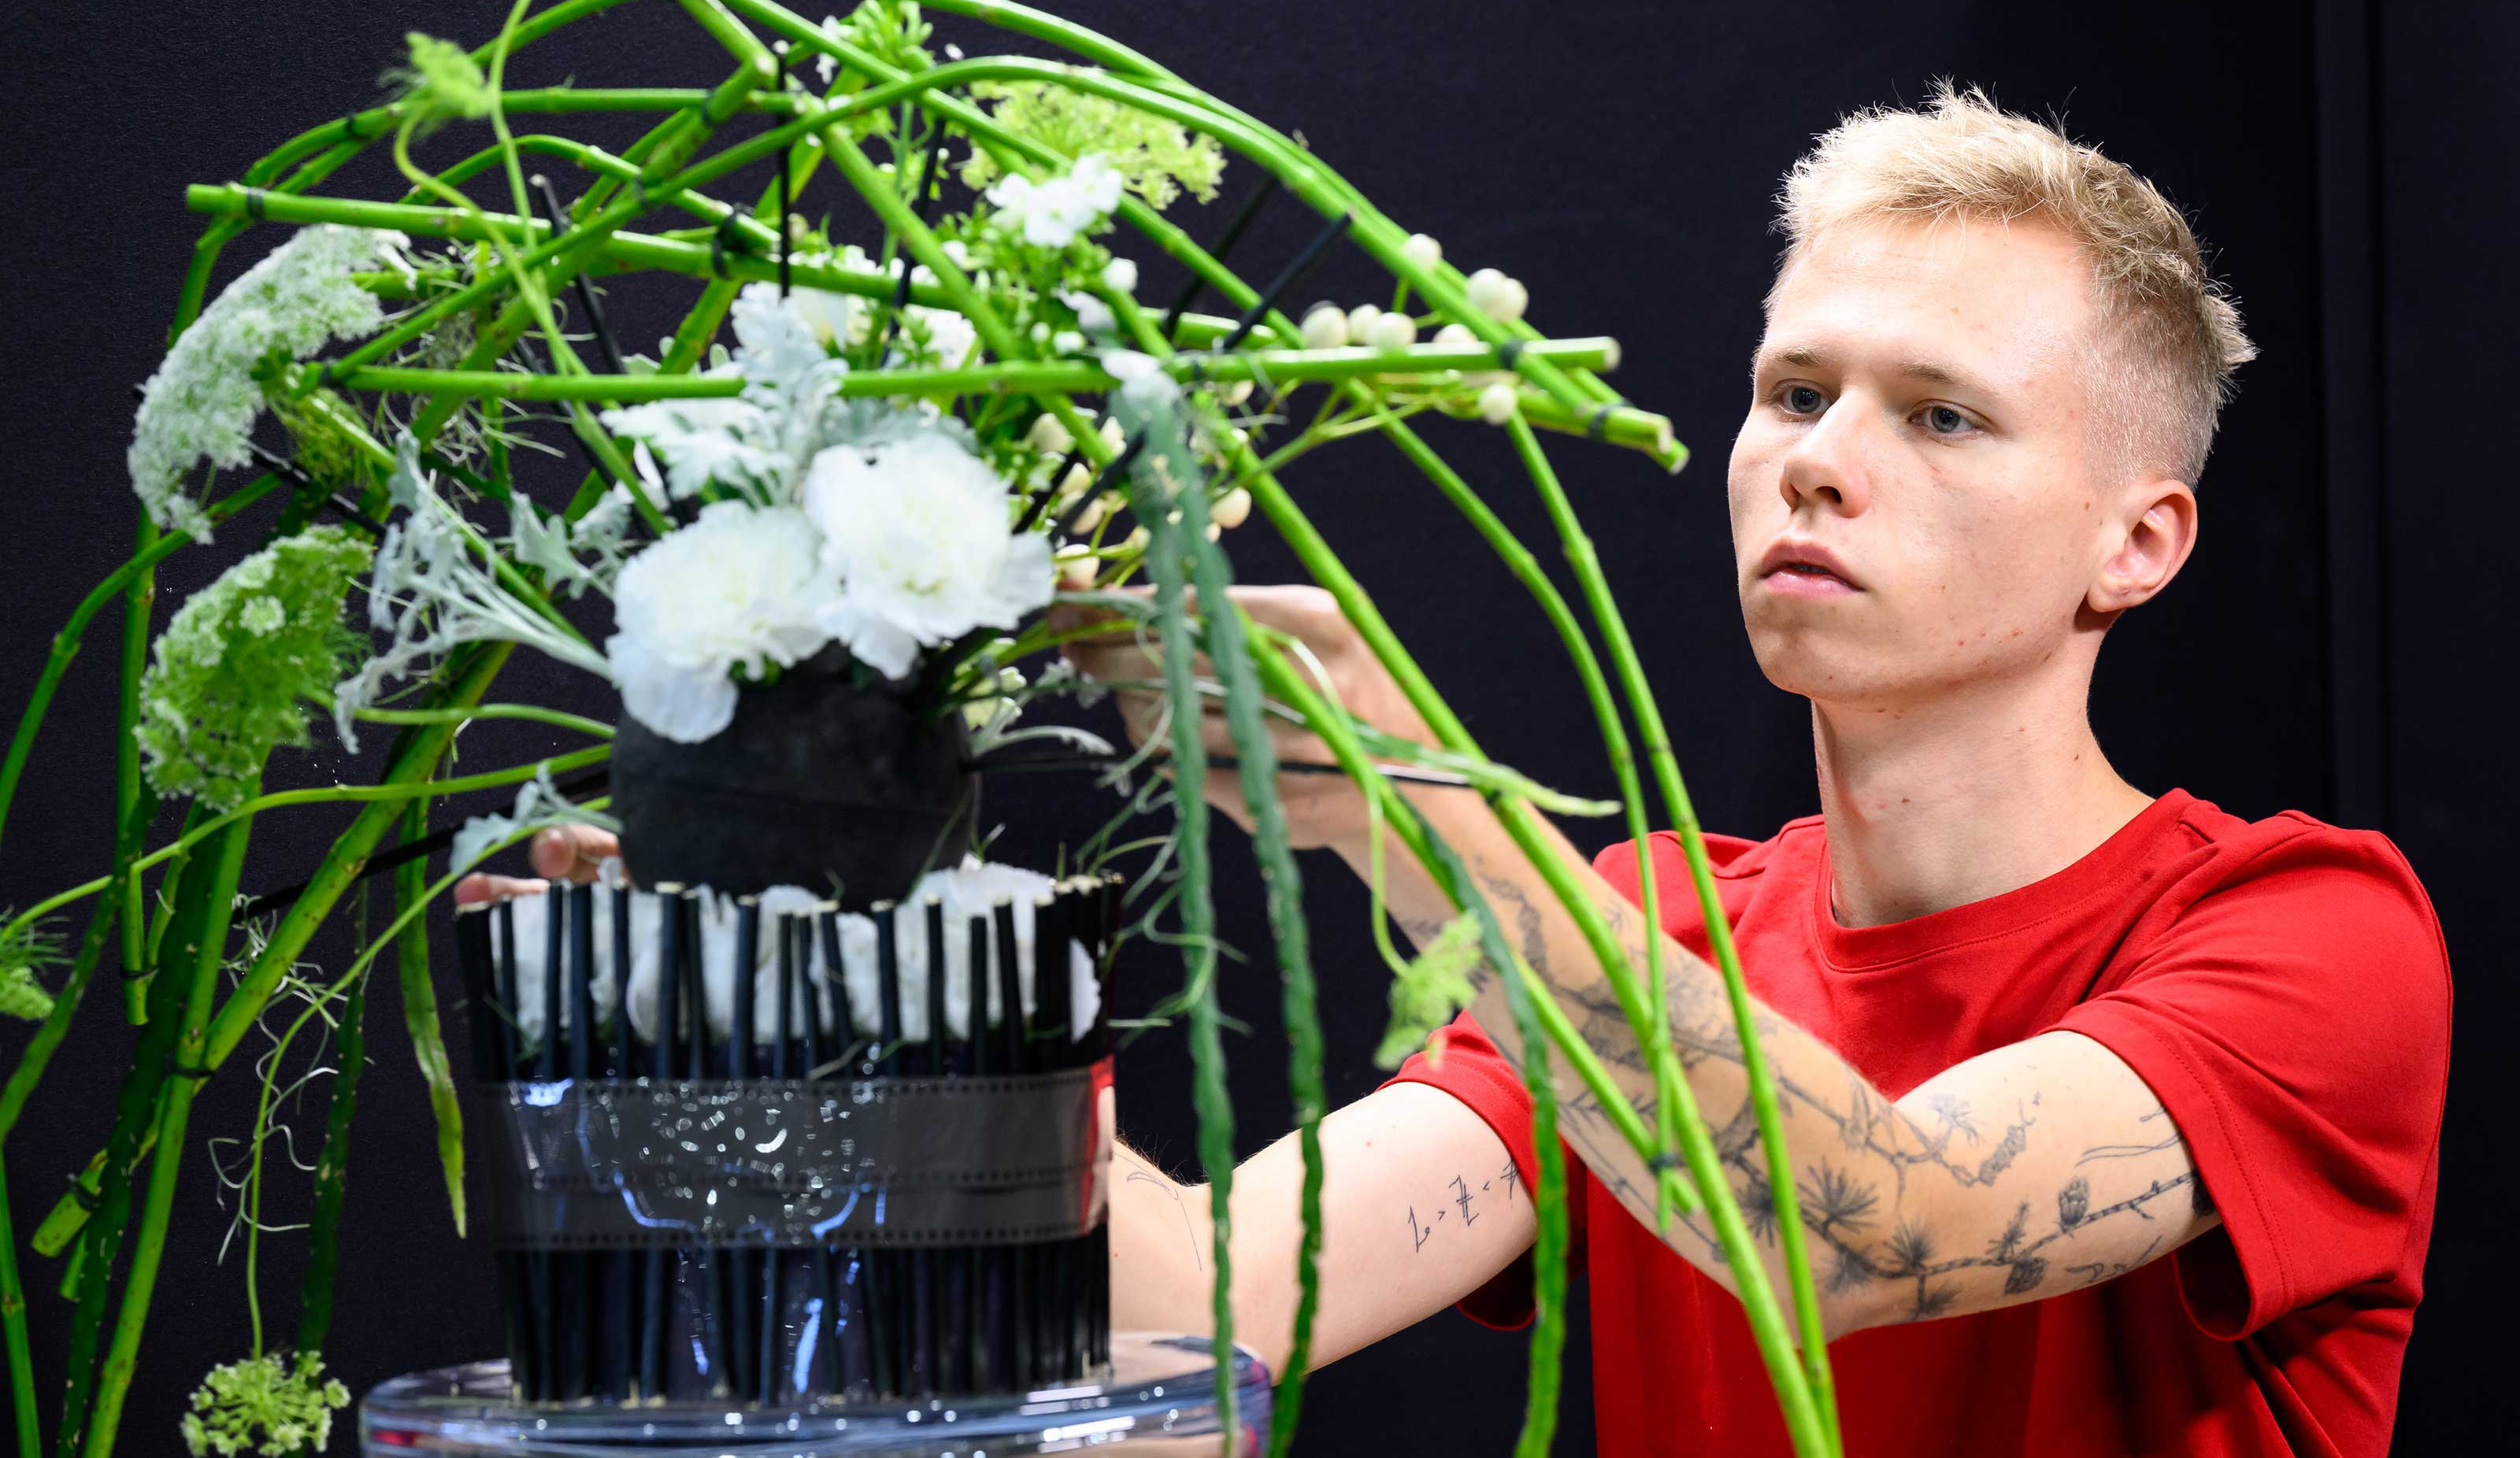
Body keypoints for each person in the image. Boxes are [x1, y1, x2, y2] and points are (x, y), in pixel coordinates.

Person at [466, 84, 2451, 1456]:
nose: (1821, 455)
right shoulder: (1653, 926)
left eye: (1942, 412)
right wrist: (800, 990)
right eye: (1790, 390)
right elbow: (1208, 1302)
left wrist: (1432, 823)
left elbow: (1860, 1230)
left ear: (2138, 540)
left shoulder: (2300, 929)